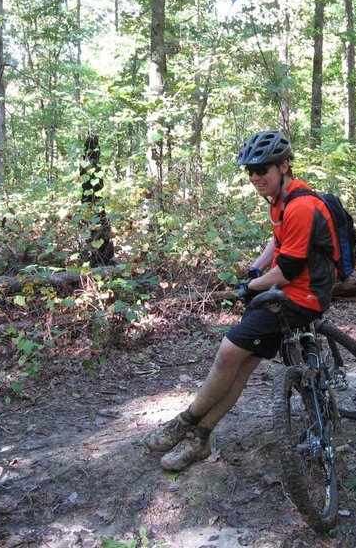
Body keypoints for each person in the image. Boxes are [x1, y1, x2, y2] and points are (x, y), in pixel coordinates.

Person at [144, 130, 340, 471]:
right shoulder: (281, 201)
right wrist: (255, 268)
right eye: (250, 170)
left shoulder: (302, 205)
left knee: (229, 353)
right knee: (244, 364)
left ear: (283, 166)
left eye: (262, 169)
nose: (255, 176)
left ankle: (186, 422)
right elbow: (277, 243)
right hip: (293, 292)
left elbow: (289, 269)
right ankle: (200, 437)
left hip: (301, 296)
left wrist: (253, 287)